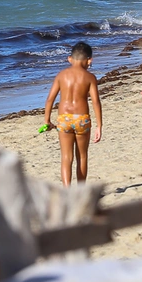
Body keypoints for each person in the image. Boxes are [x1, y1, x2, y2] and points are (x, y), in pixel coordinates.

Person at [42, 42, 102, 186]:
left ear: (70, 59)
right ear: (89, 60)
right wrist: (99, 125)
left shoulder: (61, 75)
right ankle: (81, 191)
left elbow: (50, 99)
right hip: (82, 119)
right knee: (82, 156)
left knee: (66, 157)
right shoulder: (90, 77)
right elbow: (95, 102)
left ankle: (67, 192)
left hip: (64, 119)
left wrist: (47, 121)